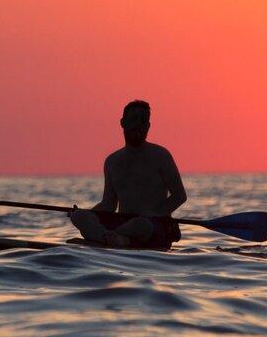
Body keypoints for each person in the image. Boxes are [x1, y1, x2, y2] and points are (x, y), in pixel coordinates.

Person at [70, 100, 186, 248]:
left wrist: (155, 213)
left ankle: (107, 238)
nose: (138, 124)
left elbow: (180, 195)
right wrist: (86, 213)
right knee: (79, 217)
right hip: (122, 223)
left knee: (141, 225)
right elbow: (109, 205)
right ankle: (111, 238)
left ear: (148, 126)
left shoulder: (161, 155)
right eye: (134, 119)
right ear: (123, 123)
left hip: (151, 225)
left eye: (143, 121)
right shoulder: (112, 161)